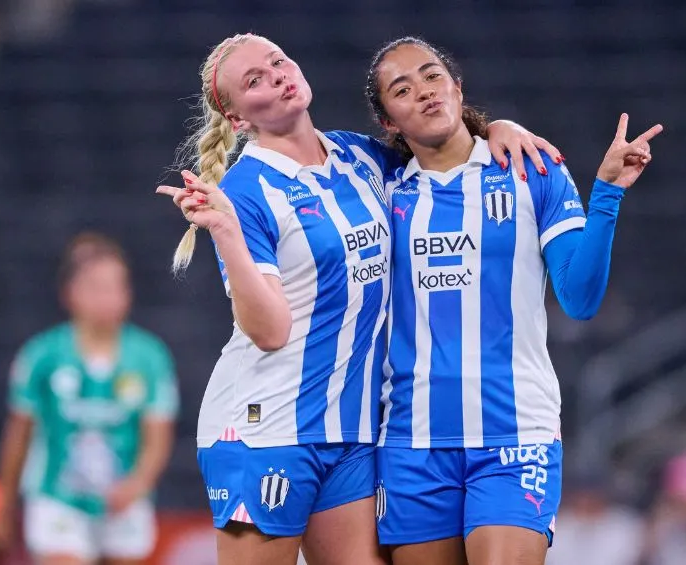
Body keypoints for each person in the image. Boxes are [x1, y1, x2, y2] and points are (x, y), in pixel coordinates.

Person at [154, 33, 561, 565]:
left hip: (351, 433)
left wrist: (499, 128)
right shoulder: (246, 190)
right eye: (254, 80)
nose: (275, 75)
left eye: (278, 61)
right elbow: (270, 330)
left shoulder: (358, 156)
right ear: (236, 119)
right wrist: (226, 234)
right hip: (268, 427)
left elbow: (442, 141)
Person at [365, 36, 662, 565]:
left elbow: (580, 297)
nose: (425, 93)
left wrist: (608, 192)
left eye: (433, 77)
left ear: (458, 87)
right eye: (403, 90)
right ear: (389, 122)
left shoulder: (532, 170)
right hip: (413, 439)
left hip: (515, 433)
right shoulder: (378, 189)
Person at [0, 232, 179, 565]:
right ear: (70, 293)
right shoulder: (42, 355)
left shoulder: (150, 357)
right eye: (96, 287)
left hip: (122, 501)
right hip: (58, 498)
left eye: (117, 286)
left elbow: (158, 438)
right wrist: (5, 509)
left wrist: (137, 484)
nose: (108, 297)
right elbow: (18, 436)